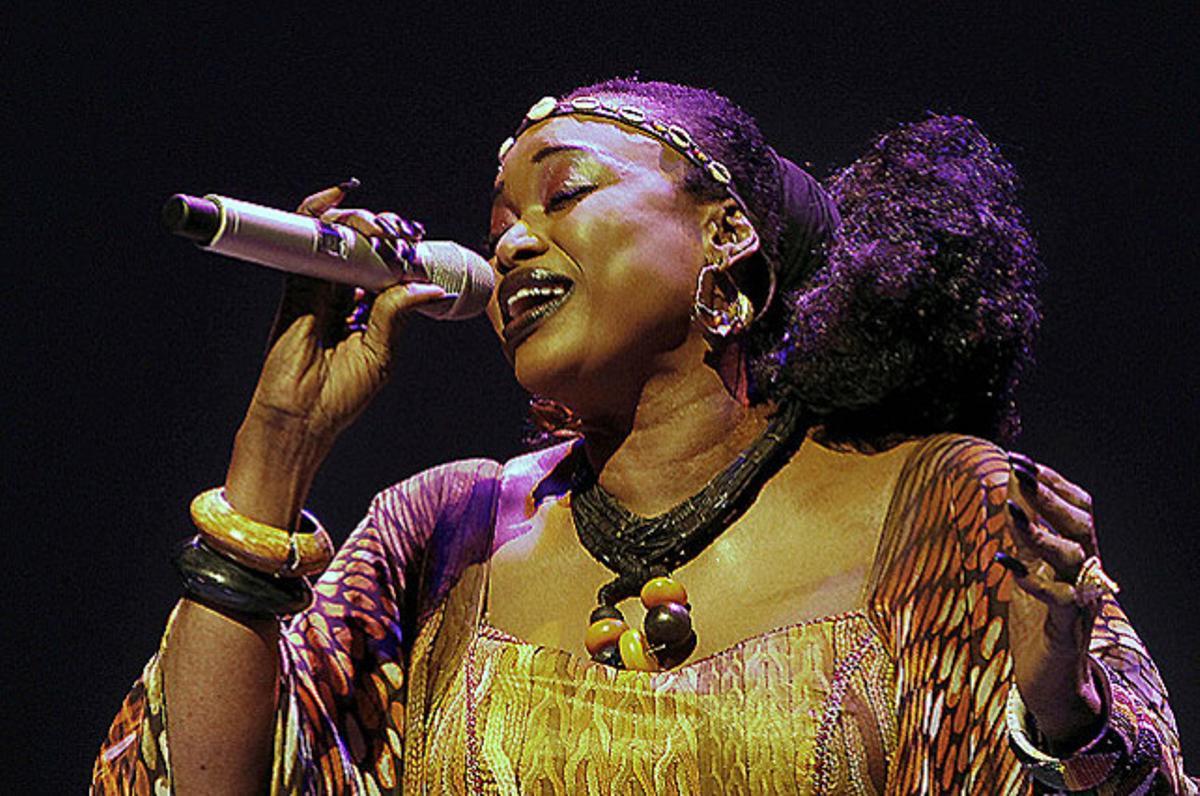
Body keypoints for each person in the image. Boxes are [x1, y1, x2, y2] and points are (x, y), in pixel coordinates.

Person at [93, 79, 1195, 794]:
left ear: (727, 234)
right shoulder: (446, 531)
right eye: (497, 229)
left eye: (563, 195)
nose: (515, 244)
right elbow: (194, 784)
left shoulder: (937, 508)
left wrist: (1066, 717)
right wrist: (277, 446)